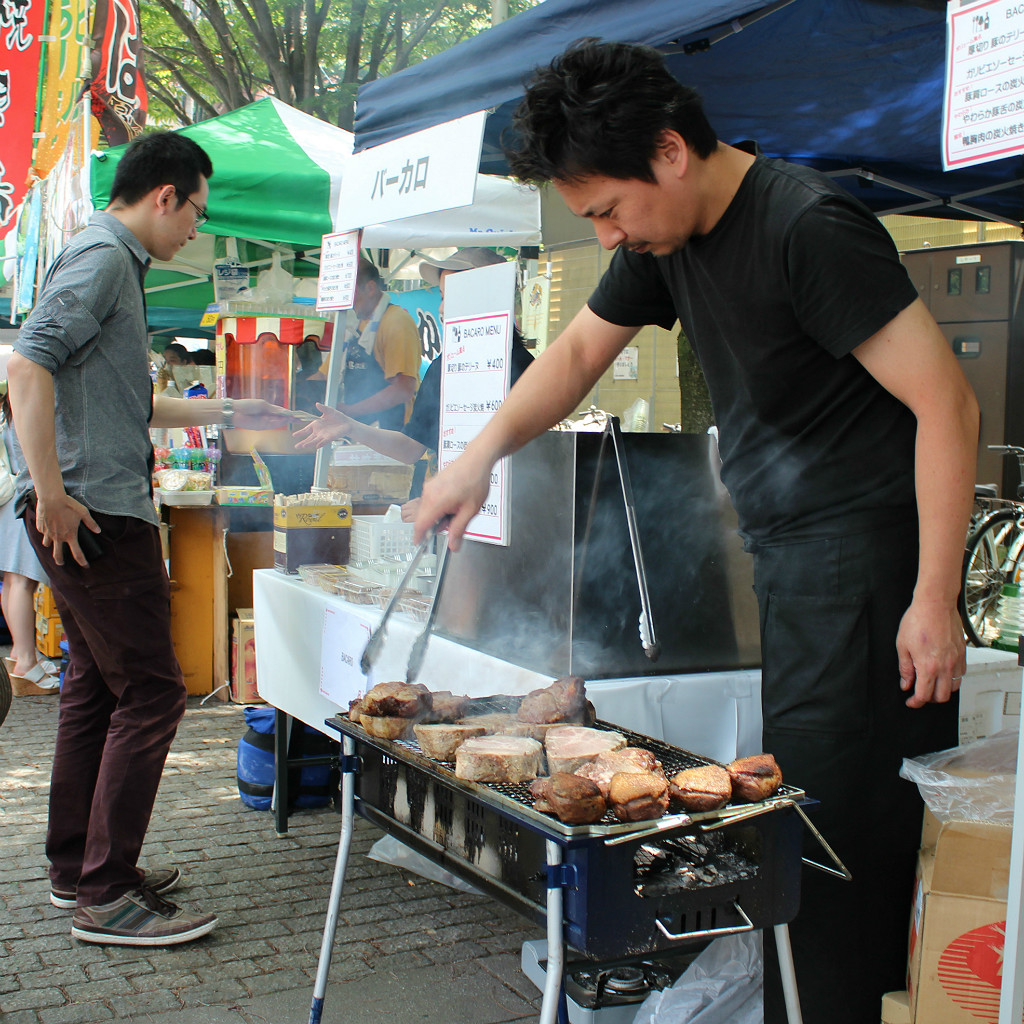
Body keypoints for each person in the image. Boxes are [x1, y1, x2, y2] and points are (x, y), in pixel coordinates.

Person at [412, 40, 978, 1024]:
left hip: (869, 568)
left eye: (604, 209)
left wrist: (933, 600)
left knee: (841, 838)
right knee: (802, 821)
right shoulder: (666, 242)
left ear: (669, 151)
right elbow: (580, 351)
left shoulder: (807, 226)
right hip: (790, 558)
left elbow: (947, 406)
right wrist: (476, 457)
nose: (606, 234)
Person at [7, 130, 297, 948]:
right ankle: (106, 893)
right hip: (96, 511)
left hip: (95, 503)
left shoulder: (114, 265)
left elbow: (126, 402)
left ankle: (78, 868)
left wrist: (238, 412)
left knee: (98, 690)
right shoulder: (103, 256)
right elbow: (26, 370)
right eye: (196, 214)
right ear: (165, 195)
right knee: (157, 692)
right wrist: (53, 493)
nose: (194, 233)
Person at [293, 248, 534, 508]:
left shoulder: (526, 371)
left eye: (450, 297)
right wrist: (350, 426)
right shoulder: (445, 366)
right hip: (450, 519)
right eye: (442, 297)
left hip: (508, 518)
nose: (442, 309)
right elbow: (410, 448)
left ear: (487, 295)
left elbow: (526, 469)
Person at [0, 388, 59, 695]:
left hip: (7, 503)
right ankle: (25, 661)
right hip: (23, 502)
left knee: (13, 581)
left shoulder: (8, 409)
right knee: (23, 582)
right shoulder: (26, 406)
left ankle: (21, 655)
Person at [336, 258, 421, 430]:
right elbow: (326, 374)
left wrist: (350, 411)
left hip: (392, 432)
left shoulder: (396, 321)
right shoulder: (354, 325)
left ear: (370, 288)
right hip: (357, 431)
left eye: (350, 294)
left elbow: (403, 389)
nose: (348, 302)